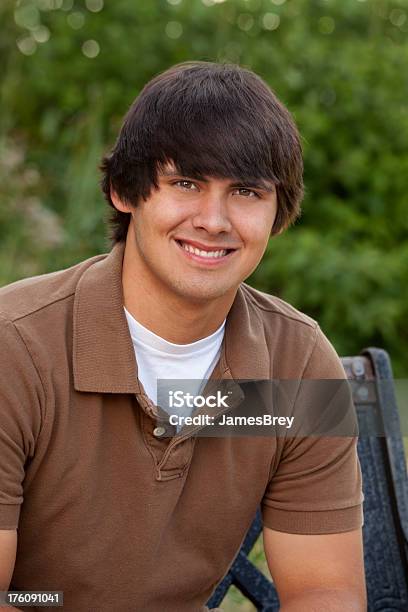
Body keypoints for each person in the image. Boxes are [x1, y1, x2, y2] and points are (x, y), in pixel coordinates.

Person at [0, 62, 366, 611]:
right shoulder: (16, 348)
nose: (214, 220)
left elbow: (325, 591)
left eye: (245, 191)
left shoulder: (298, 364)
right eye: (186, 183)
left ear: (277, 213)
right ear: (126, 190)